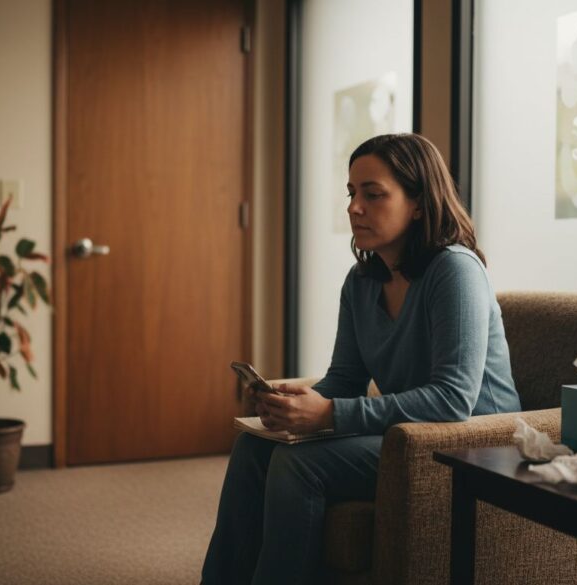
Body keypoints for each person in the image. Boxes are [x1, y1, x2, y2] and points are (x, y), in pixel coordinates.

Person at [201, 133, 521, 584]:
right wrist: (297, 401)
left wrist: (328, 414)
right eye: (352, 193)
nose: (354, 207)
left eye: (373, 194)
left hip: (473, 443)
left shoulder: (456, 271)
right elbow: (347, 377)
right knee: (254, 445)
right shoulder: (362, 280)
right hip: (407, 435)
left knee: (300, 464)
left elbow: (453, 401)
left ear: (418, 203)